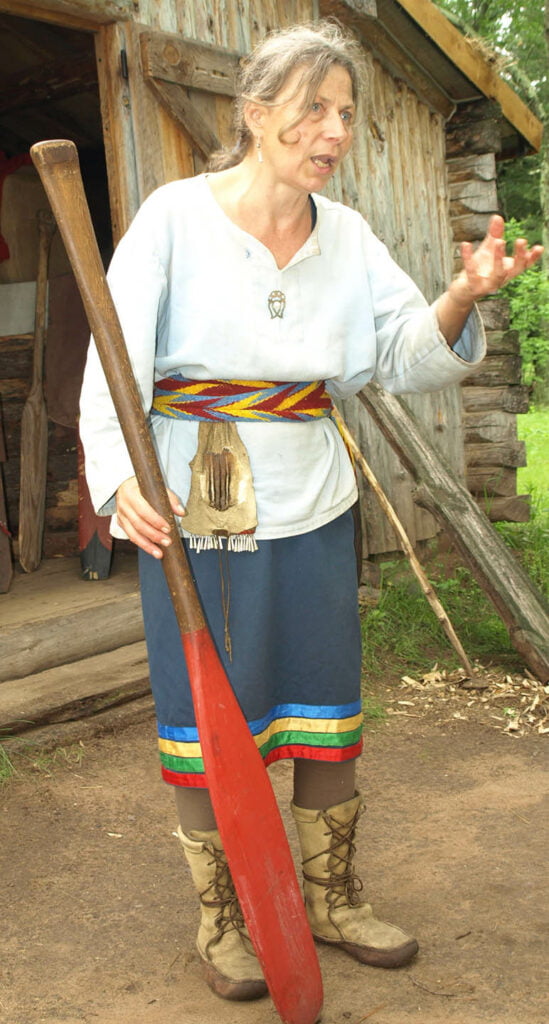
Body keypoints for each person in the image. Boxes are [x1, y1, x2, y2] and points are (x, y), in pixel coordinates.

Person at [79, 19, 542, 1005]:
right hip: (200, 515)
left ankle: (327, 896)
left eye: (345, 113)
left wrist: (460, 296)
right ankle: (224, 917)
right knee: (206, 722)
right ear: (254, 115)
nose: (334, 130)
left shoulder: (351, 237)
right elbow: (109, 364)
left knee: (326, 709)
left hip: (316, 508)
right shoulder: (173, 220)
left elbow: (403, 358)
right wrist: (123, 475)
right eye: (313, 109)